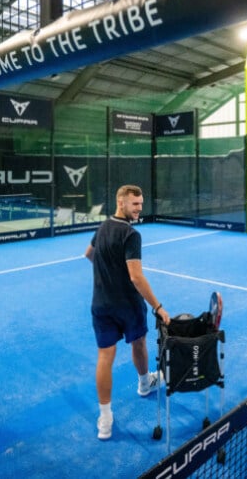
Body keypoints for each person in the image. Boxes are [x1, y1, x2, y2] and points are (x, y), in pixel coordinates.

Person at [84, 184, 170, 440]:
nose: (139, 208)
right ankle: (145, 384)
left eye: (141, 204)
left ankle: (105, 418)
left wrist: (109, 273)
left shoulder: (101, 229)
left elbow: (89, 255)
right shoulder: (131, 235)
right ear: (121, 202)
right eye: (135, 204)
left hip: (101, 304)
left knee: (104, 357)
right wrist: (158, 307)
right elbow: (136, 276)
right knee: (139, 342)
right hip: (128, 305)